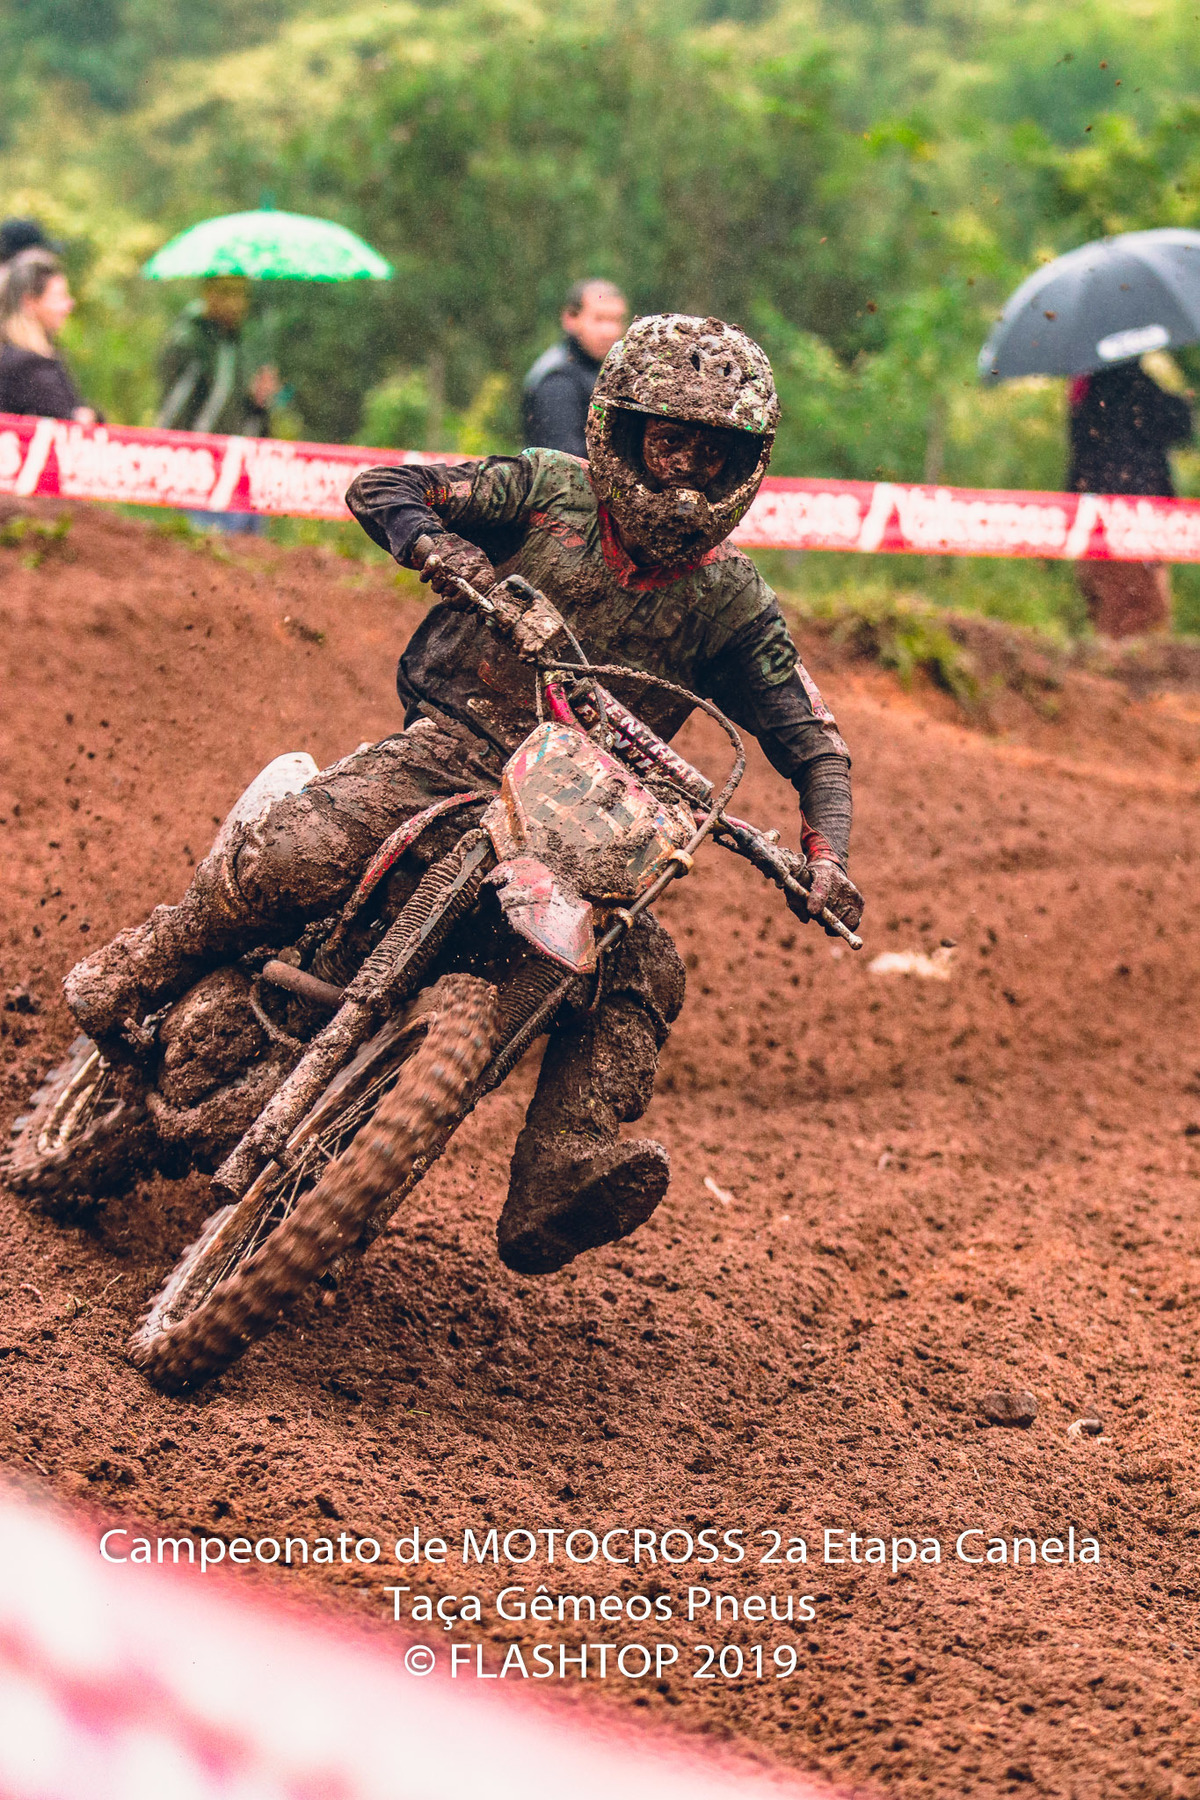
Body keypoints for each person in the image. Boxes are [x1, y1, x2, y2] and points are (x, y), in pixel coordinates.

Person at [65, 314, 863, 1277]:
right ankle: (144, 962)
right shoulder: (547, 490)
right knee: (306, 848)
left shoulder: (732, 600)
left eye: (713, 454)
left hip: (593, 816)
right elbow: (385, 487)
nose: (687, 474)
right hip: (461, 747)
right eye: (669, 444)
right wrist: (448, 555)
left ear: (747, 465)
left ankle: (561, 1168)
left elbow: (813, 743)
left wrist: (826, 856)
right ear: (621, 433)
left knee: (643, 966)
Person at [1067, 359, 1193, 637]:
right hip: (1135, 511)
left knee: (1116, 609)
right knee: (1140, 613)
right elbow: (1179, 425)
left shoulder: (1086, 389)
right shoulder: (1133, 385)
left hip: (1100, 513)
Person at [157, 275, 281, 533]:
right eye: (226, 293)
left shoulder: (238, 342)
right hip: (198, 468)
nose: (235, 303)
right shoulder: (189, 341)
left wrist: (258, 401)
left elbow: (241, 411)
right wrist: (175, 457)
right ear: (209, 294)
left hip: (239, 468)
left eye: (241, 294)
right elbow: (174, 407)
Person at [521, 278, 628, 455]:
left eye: (615, 320)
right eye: (599, 319)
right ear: (570, 319)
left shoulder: (601, 369)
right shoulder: (558, 380)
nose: (609, 332)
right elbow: (563, 459)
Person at [0, 248, 96, 423]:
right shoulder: (27, 368)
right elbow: (64, 419)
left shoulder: (27, 360)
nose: (68, 305)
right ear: (30, 302)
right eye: (59, 296)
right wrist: (84, 417)